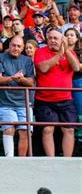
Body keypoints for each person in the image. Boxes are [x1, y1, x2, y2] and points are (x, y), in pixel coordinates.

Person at [34, 27, 80, 157]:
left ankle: (67, 160)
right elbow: (43, 68)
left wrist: (66, 51)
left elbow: (76, 67)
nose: (52, 41)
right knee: (48, 129)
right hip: (45, 99)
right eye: (50, 38)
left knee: (69, 129)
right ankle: (51, 160)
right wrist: (59, 54)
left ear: (62, 40)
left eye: (56, 38)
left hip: (65, 98)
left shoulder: (70, 53)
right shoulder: (40, 51)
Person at [0, 36, 35, 157]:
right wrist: (12, 77)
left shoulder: (27, 61)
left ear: (22, 48)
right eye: (13, 45)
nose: (15, 48)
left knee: (25, 132)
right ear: (9, 45)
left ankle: (21, 161)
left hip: (23, 102)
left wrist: (21, 79)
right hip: (5, 102)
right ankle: (9, 159)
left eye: (18, 46)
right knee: (9, 129)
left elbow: (31, 82)